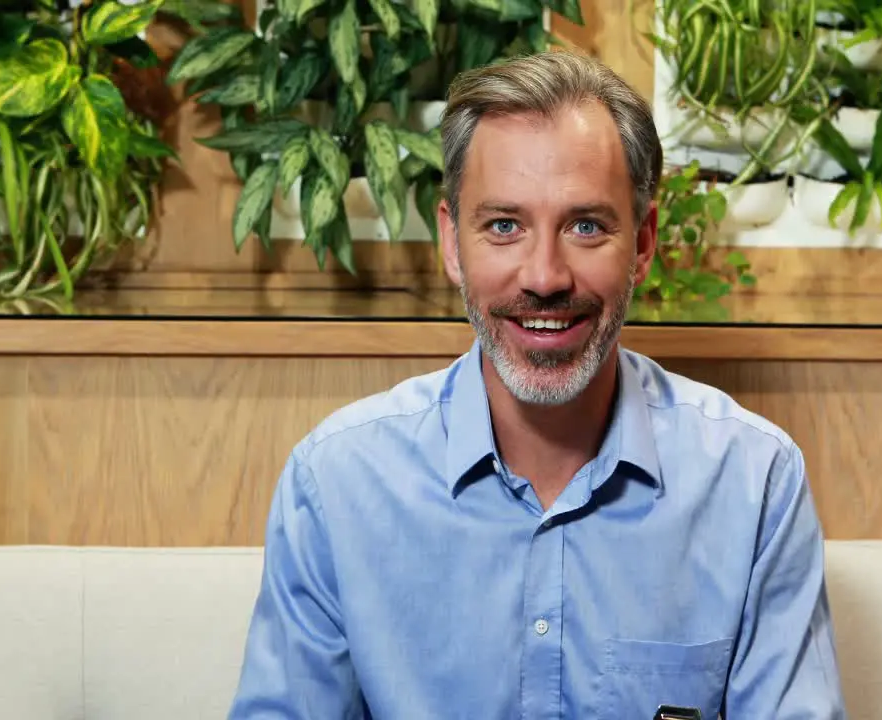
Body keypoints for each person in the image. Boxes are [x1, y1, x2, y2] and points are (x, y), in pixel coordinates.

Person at [228, 50, 846, 719]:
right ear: (453, 244)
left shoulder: (756, 484)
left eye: (586, 225)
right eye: (503, 226)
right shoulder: (336, 485)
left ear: (642, 244)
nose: (545, 276)